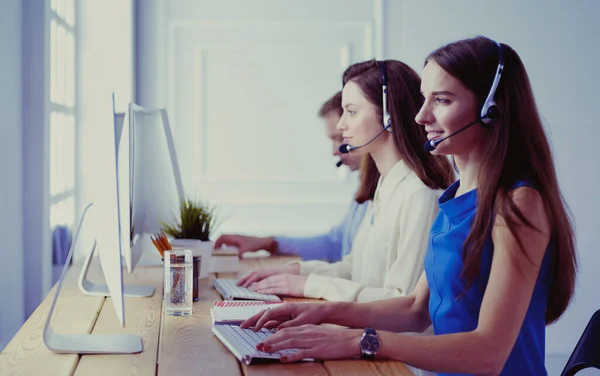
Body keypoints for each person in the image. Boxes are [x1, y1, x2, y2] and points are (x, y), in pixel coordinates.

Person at [241, 36, 577, 376]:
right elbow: (416, 308)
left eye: (441, 100)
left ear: (491, 108)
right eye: (423, 100)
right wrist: (321, 313)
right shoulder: (457, 194)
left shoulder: (519, 204)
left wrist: (361, 340)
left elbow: (489, 354)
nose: (420, 116)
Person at [238, 59, 454, 303]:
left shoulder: (420, 194)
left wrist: (310, 285)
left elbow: (402, 300)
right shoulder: (386, 185)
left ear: (389, 116)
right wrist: (298, 272)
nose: (341, 125)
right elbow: (355, 270)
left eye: (351, 112)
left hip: (390, 339)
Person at [213, 92, 367, 262]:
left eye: (340, 139)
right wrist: (267, 243)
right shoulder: (364, 189)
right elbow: (334, 245)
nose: (334, 151)